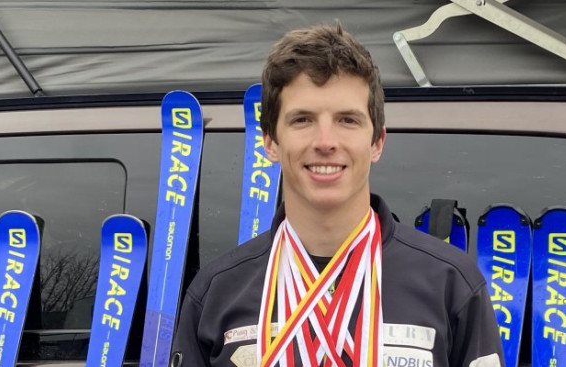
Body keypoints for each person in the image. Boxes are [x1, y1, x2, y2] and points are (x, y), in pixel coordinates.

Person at [172, 23, 504, 367]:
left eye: (347, 120)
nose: (326, 141)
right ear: (270, 142)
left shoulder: (451, 283)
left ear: (377, 142)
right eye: (302, 120)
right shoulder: (217, 292)